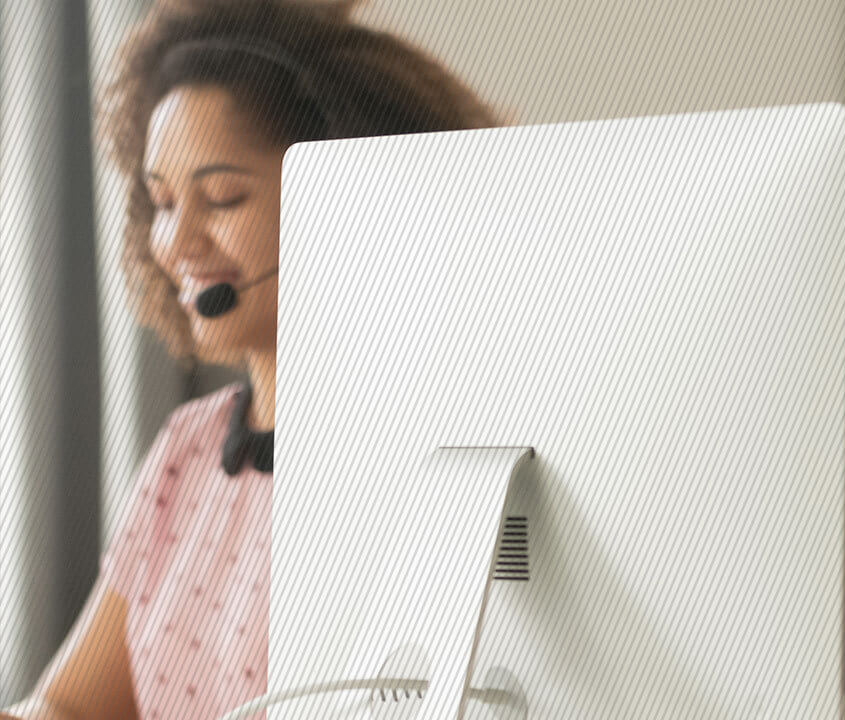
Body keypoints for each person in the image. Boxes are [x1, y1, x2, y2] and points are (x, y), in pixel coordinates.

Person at [1, 1, 496, 718]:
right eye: (162, 201)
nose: (175, 242)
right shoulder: (188, 447)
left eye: (222, 197)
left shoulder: (426, 464)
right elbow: (70, 706)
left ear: (348, 197)